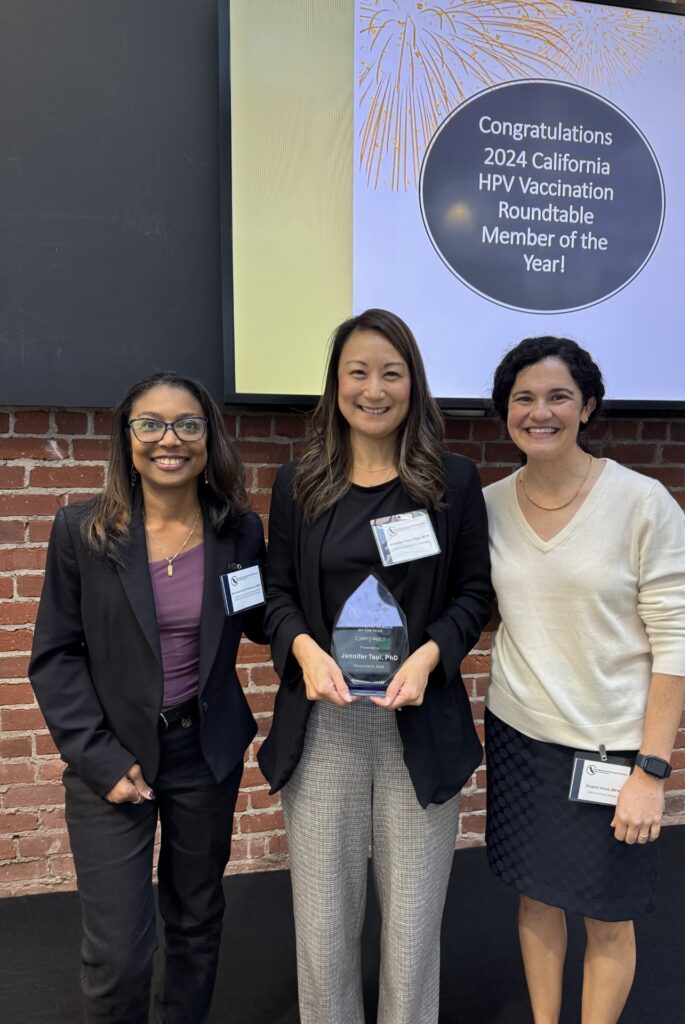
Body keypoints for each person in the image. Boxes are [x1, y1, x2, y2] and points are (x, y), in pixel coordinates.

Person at [258, 308, 492, 1024]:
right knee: (324, 926)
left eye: (392, 372)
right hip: (324, 725)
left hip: (417, 725)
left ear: (413, 385)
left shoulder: (453, 481)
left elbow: (474, 594)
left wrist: (429, 656)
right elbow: (276, 594)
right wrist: (302, 649)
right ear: (335, 384)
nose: (374, 388)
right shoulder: (299, 482)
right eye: (358, 371)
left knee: (414, 926)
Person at [29, 372, 267, 1024]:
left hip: (204, 754)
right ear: (126, 437)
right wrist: (101, 760)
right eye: (151, 424)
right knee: (118, 959)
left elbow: (261, 618)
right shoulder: (82, 533)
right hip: (113, 760)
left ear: (208, 437)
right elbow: (54, 657)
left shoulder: (236, 532)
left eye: (188, 424)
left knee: (195, 925)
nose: (170, 439)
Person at [483, 337, 685, 1024]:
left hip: (612, 748)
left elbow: (672, 645)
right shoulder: (486, 506)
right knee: (537, 898)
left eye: (557, 397)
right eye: (523, 398)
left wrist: (652, 770)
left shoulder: (643, 503)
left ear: (587, 407)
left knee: (607, 915)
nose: (538, 412)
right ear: (505, 411)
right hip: (521, 738)